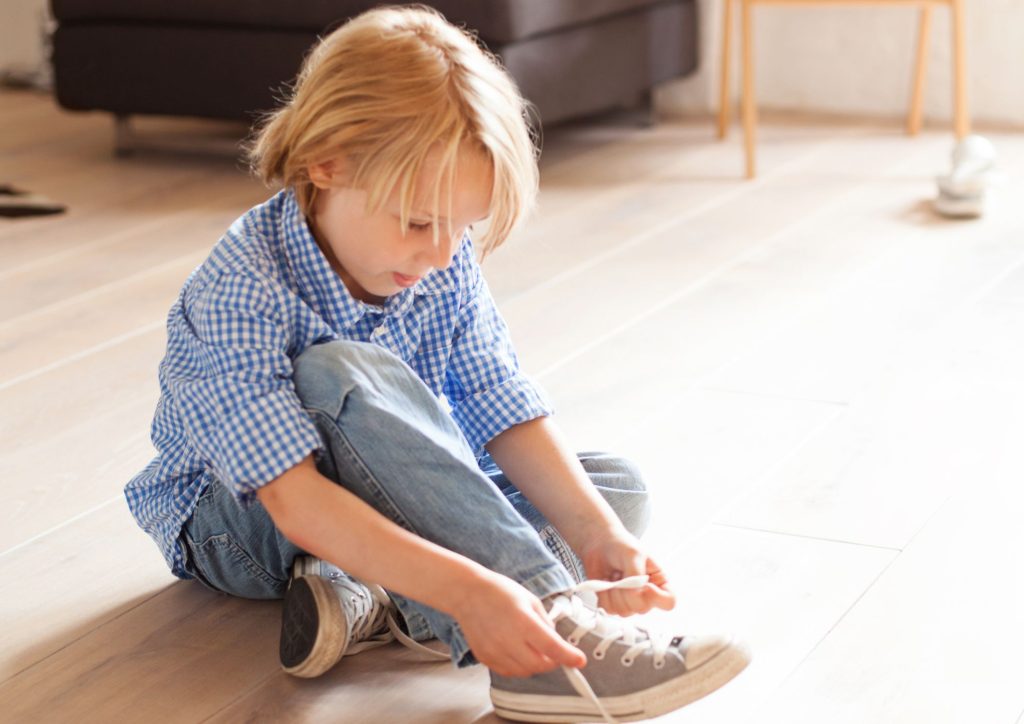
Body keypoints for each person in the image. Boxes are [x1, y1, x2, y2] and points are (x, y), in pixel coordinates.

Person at [124, 6, 750, 722]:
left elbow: (496, 397)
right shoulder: (241, 289)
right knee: (339, 372)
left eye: (463, 226)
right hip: (243, 521)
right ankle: (544, 646)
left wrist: (596, 534)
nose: (443, 252)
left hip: (387, 490)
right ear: (326, 161)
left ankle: (370, 594)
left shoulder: (438, 258)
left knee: (614, 492)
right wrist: (475, 590)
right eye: (420, 222)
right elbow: (293, 501)